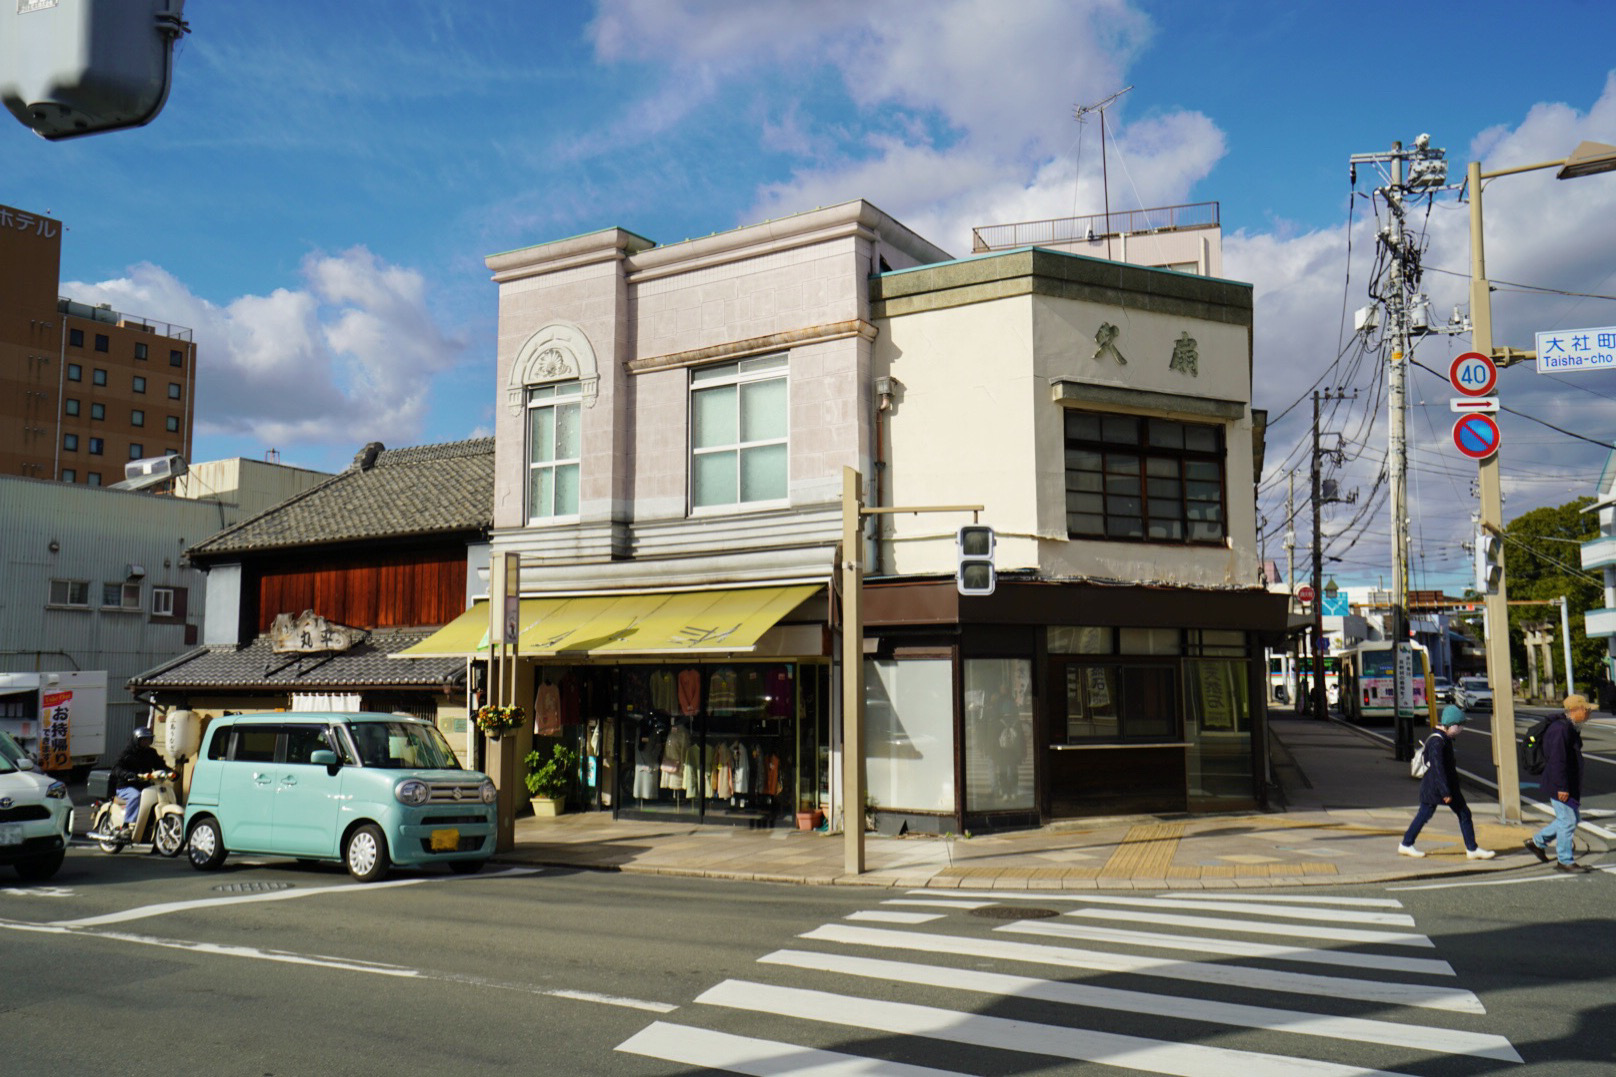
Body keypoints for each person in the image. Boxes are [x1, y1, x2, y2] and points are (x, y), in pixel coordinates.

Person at [1398, 705, 1495, 860]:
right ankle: (1406, 844)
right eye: (1459, 725)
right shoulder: (1438, 742)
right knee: (1426, 814)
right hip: (1437, 787)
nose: (1461, 729)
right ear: (1451, 725)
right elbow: (1438, 769)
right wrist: (1445, 792)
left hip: (1443, 786)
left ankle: (1472, 848)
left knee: (1462, 813)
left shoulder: (1444, 739)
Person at [1524, 694, 1594, 873]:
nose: (1589, 714)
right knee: (1568, 821)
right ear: (1575, 710)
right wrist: (1562, 787)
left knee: (1571, 819)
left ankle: (1537, 842)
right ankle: (1564, 860)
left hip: (1563, 782)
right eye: (1586, 710)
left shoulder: (1568, 727)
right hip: (1559, 783)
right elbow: (1557, 760)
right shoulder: (1560, 729)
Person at [111, 725, 167, 838]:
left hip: (144, 785)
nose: (146, 742)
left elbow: (160, 765)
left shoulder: (151, 753)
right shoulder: (127, 753)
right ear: (136, 740)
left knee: (155, 797)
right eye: (143, 740)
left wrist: (171, 772)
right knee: (136, 796)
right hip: (126, 786)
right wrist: (128, 775)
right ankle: (127, 825)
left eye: (149, 740)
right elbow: (116, 768)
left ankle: (148, 826)